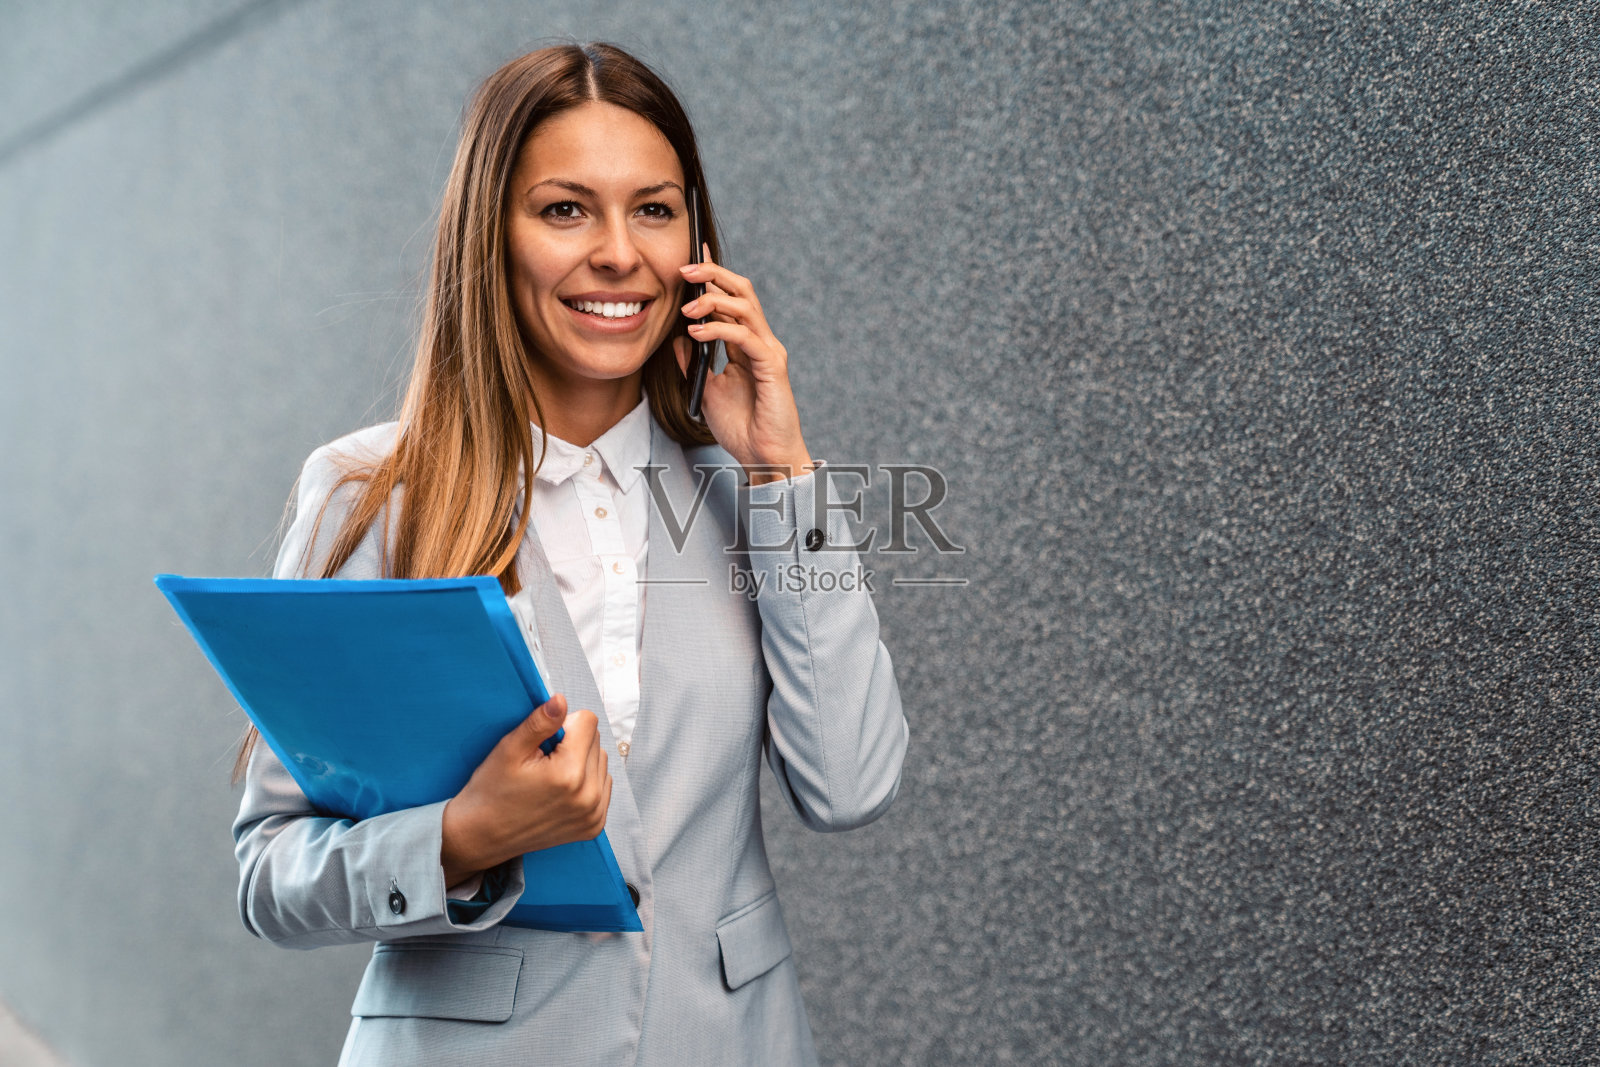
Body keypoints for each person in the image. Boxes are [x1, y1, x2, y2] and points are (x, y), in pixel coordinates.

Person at [230, 42, 909, 1067]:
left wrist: (784, 469)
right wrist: (463, 835)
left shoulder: (748, 492)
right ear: (489, 235)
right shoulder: (373, 492)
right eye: (565, 210)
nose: (618, 253)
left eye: (653, 209)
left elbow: (850, 783)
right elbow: (270, 872)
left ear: (694, 240)